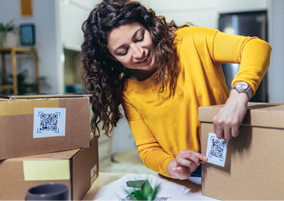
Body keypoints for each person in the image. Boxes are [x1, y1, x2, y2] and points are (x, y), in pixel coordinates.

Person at [79, 0, 272, 180]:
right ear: (112, 58)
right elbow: (148, 149)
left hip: (236, 160)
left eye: (139, 38)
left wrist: (239, 94)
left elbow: (256, 47)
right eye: (123, 51)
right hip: (182, 179)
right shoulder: (128, 91)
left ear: (149, 26)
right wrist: (172, 166)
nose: (139, 53)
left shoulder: (191, 41)